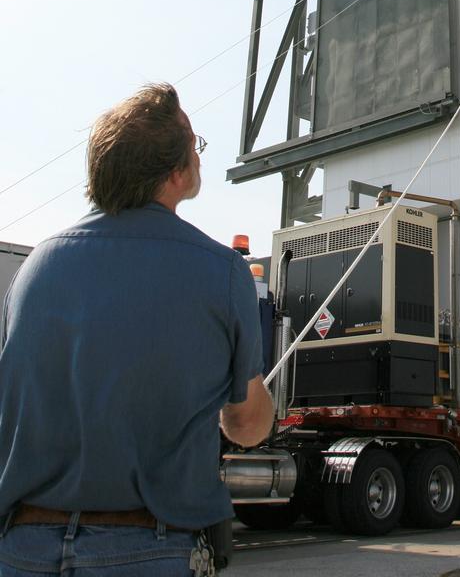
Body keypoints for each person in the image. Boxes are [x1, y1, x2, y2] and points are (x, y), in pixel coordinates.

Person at [0, 82, 273, 577]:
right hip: (150, 547)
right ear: (175, 172)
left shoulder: (32, 270)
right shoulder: (224, 272)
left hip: (21, 548)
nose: (199, 156)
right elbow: (247, 427)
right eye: (195, 145)